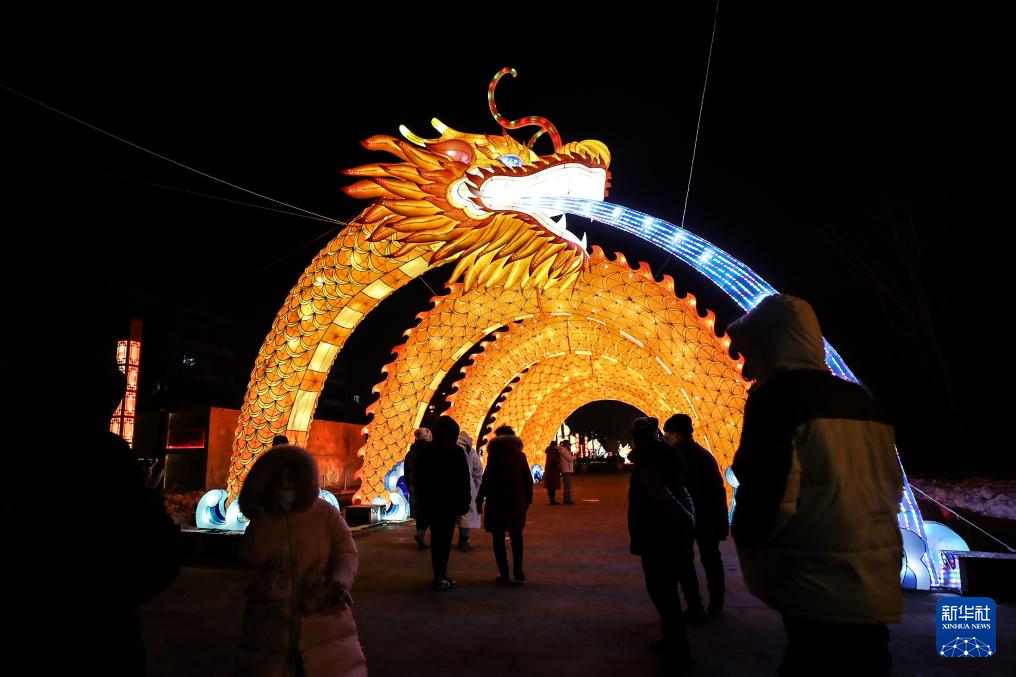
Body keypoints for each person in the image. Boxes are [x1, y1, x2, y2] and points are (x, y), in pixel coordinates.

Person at [727, 294, 903, 676]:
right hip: (875, 573)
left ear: (772, 344)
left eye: (751, 352)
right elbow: (893, 485)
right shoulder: (861, 400)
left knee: (812, 659)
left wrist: (749, 544)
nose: (747, 369)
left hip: (816, 576)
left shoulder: (778, 398)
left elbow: (768, 491)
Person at [1, 339, 181, 676]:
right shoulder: (105, 458)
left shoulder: (17, 452)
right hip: (98, 642)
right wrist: (147, 498)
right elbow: (151, 565)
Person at [236, 445, 367, 676]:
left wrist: (337, 583)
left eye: (290, 478)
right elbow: (251, 557)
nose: (284, 485)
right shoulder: (265, 518)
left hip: (322, 610)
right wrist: (263, 520)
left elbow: (346, 552)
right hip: (272, 622)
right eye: (277, 479)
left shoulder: (325, 513)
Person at [628, 417, 696, 672]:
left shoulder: (649, 462)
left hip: (657, 535)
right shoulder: (668, 456)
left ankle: (680, 651)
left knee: (662, 591)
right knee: (664, 589)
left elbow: (660, 497)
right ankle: (673, 639)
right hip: (668, 534)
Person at [663, 413, 729, 620]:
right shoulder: (705, 456)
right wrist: (722, 522)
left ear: (677, 435)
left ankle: (694, 606)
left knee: (685, 562)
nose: (666, 438)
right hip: (708, 518)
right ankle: (716, 603)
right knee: (712, 560)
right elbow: (718, 491)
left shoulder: (674, 458)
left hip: (685, 518)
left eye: (668, 434)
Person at [415, 417, 472, 590]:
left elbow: (420, 477)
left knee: (436, 537)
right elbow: (463, 479)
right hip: (449, 503)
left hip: (432, 502)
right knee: (445, 539)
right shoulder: (456, 451)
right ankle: (441, 575)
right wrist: (465, 501)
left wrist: (421, 499)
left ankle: (438, 574)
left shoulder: (426, 450)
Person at [476, 430, 533, 584]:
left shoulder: (494, 456)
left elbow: (486, 479)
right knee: (517, 536)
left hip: (496, 502)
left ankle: (504, 572)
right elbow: (527, 479)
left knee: (498, 537)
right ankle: (518, 571)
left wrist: (479, 500)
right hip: (516, 501)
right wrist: (528, 500)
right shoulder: (520, 456)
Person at [456, 430, 483, 552]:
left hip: (450, 486)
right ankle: (464, 540)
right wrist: (477, 489)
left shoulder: (451, 449)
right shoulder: (470, 452)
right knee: (466, 515)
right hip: (468, 486)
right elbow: (478, 472)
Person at [404, 428, 431, 548]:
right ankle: (422, 534)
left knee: (420, 514)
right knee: (430, 513)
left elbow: (406, 473)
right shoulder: (431, 451)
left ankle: (420, 534)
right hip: (429, 488)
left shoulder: (410, 453)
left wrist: (410, 488)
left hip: (415, 488)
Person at [558, 439, 576, 504]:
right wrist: (575, 456)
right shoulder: (564, 450)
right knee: (567, 486)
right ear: (565, 445)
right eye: (568, 444)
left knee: (567, 486)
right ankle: (567, 500)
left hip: (567, 470)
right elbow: (569, 459)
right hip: (566, 470)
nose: (569, 446)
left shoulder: (565, 450)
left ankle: (567, 499)